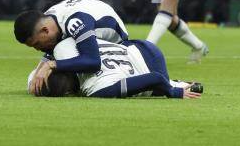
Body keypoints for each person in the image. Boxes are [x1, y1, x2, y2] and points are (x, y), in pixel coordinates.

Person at [14, 0, 129, 94]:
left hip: (117, 43)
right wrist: (38, 73)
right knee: (37, 73)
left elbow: (93, 61)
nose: (38, 49)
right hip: (87, 33)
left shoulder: (75, 21)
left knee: (63, 50)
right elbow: (50, 52)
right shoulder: (48, 19)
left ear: (45, 30)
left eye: (37, 44)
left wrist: (51, 64)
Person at [27, 37, 202, 99]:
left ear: (68, 93)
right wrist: (46, 67)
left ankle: (176, 85)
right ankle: (178, 83)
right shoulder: (63, 48)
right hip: (136, 45)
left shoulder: (95, 88)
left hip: (151, 64)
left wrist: (173, 93)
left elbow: (155, 78)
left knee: (155, 88)